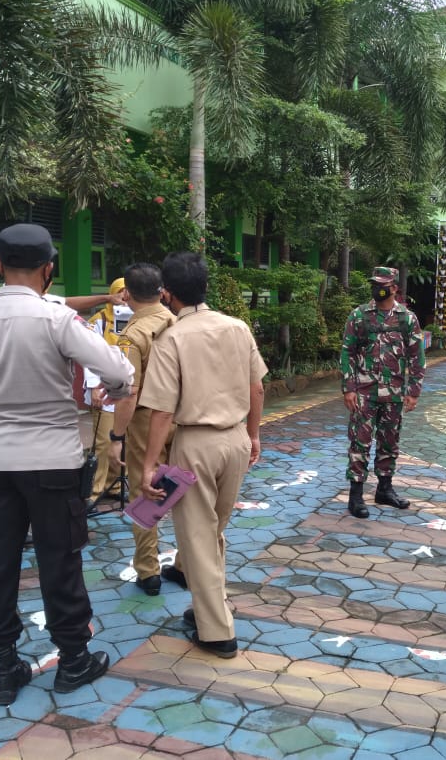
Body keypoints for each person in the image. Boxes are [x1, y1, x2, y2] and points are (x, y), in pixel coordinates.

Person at [0, 223, 134, 705]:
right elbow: (117, 371)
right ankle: (73, 660)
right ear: (49, 269)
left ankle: (5, 668)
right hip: (53, 461)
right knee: (59, 560)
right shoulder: (58, 319)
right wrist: (118, 388)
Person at [138, 252, 267, 658]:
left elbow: (162, 410)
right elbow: (257, 387)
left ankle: (217, 633)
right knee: (212, 533)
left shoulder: (172, 338)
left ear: (167, 293)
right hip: (236, 440)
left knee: (198, 538)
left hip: (194, 444)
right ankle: (208, 607)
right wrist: (253, 435)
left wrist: (149, 464)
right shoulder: (238, 327)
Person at [105, 263, 180, 596]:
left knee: (144, 490)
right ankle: (186, 563)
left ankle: (149, 571)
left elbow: (129, 393)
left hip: (147, 423)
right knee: (183, 490)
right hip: (183, 419)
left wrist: (116, 437)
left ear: (126, 294)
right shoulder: (179, 324)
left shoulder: (133, 336)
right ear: (162, 291)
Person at [341, 266, 427, 519]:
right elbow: (347, 352)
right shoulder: (359, 316)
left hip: (394, 392)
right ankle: (356, 496)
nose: (377, 289)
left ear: (394, 288)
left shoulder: (407, 319)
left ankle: (384, 490)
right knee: (360, 442)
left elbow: (417, 356)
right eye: (374, 284)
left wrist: (413, 391)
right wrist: (349, 388)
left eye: (383, 285)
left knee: (389, 442)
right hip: (364, 392)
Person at [85, 277, 129, 502]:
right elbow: (88, 354)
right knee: (103, 442)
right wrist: (93, 386)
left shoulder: (136, 319)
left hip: (127, 391)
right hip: (104, 390)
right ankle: (95, 490)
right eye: (121, 292)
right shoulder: (99, 320)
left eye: (129, 293)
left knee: (123, 441)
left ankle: (114, 484)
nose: (125, 297)